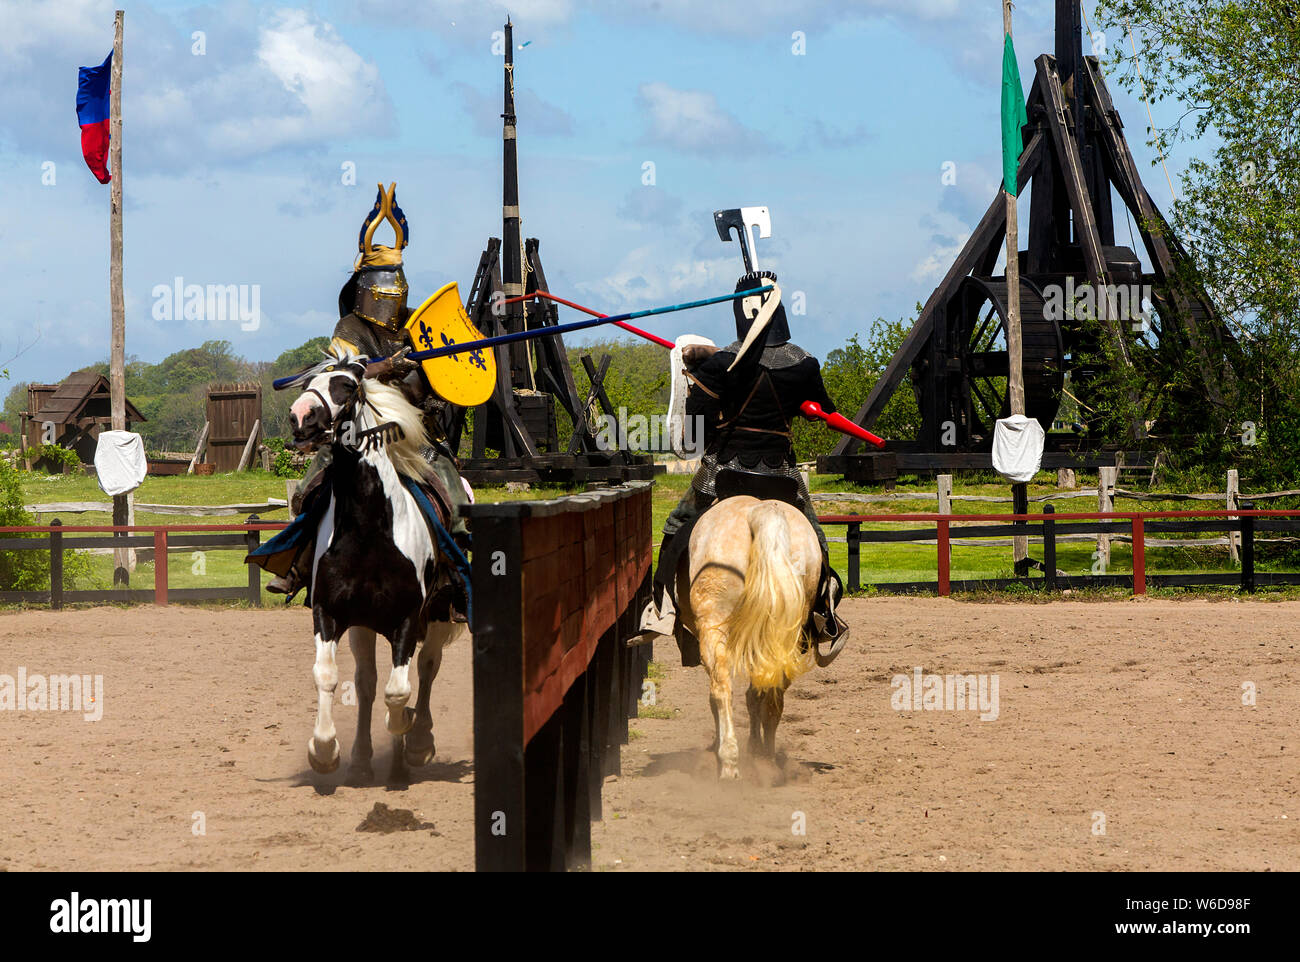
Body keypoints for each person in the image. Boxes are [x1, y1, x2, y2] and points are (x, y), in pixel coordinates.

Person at [267, 184, 470, 597]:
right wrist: (390, 367)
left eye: (395, 293)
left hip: (414, 433)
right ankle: (301, 563)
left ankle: (454, 577)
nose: (389, 301)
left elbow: (441, 387)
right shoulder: (349, 331)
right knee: (312, 489)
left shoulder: (420, 326)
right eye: (382, 292)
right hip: (357, 434)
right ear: (365, 290)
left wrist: (433, 367)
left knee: (453, 492)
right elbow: (344, 376)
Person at [639, 270, 847, 665]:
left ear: (740, 311)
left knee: (675, 527)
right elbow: (826, 411)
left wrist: (696, 374)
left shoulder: (722, 364)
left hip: (725, 471)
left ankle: (662, 612)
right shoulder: (804, 364)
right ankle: (824, 617)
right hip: (783, 477)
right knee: (817, 541)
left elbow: (694, 428)